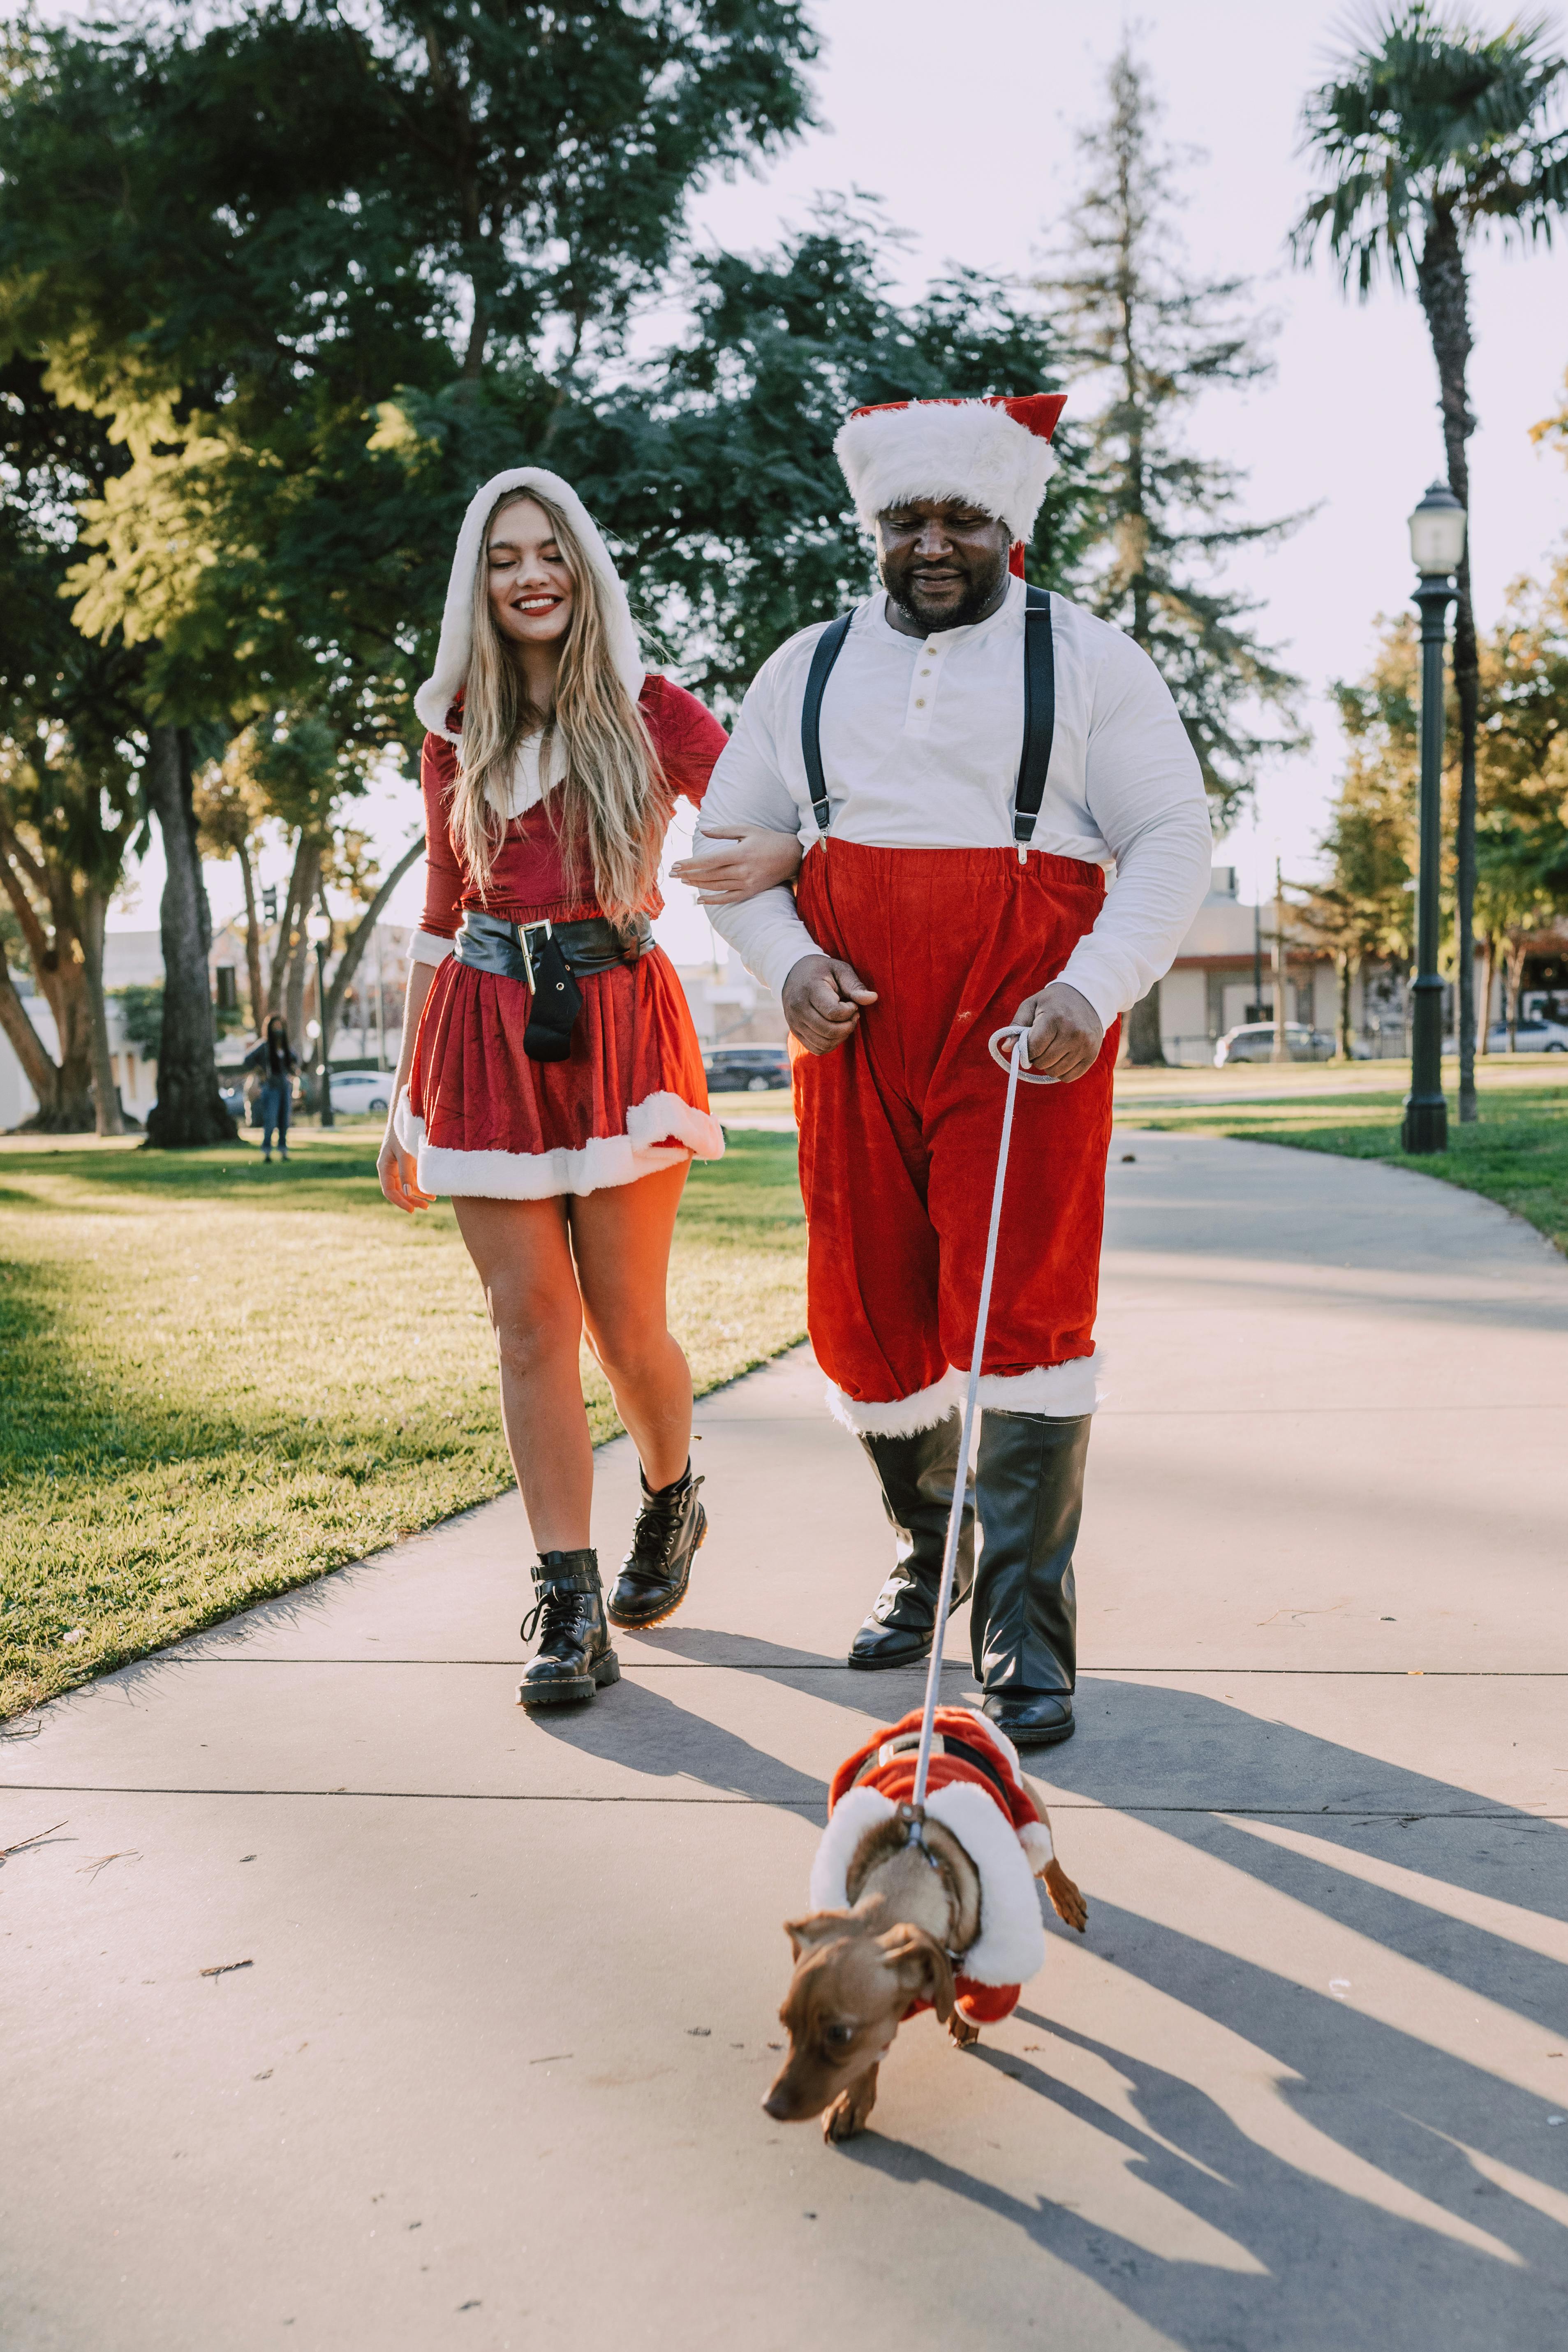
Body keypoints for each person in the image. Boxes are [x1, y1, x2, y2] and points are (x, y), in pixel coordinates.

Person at [696, 394, 1213, 1748]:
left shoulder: (1089, 660)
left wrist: (1092, 992)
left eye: (962, 520)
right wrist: (787, 963)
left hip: (1022, 1020)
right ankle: (935, 1554)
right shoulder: (801, 667)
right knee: (865, 1314)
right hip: (852, 1020)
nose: (934, 544)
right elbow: (728, 842)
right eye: (907, 520)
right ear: (875, 526)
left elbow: (1169, 834)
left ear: (1009, 528)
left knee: (1023, 1313)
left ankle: (1024, 1628)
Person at [376, 466, 800, 1708]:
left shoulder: (650, 708)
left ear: (582, 568)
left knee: (625, 1327)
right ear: (480, 580)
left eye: (547, 550)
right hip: (481, 1030)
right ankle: (566, 1601)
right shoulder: (451, 723)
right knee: (526, 1325)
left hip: (618, 1019)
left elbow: (756, 820)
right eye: (503, 555)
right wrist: (407, 1090)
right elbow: (444, 912)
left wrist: (791, 871)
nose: (528, 574)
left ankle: (670, 1497)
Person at [242, 1016, 298, 1162]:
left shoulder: (285, 1047)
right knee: (271, 1120)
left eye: (281, 1027)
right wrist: (261, 1073)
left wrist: (293, 1069)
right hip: (271, 1087)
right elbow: (248, 1060)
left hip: (284, 1086)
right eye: (276, 1027)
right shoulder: (265, 1046)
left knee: (284, 1120)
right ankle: (267, 1151)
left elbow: (294, 1061)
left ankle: (283, 1150)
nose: (278, 1031)